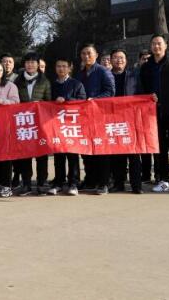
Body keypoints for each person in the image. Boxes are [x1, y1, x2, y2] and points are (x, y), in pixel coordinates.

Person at [138, 35, 169, 193]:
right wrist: (148, 96)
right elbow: (142, 89)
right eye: (153, 43)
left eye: (159, 43)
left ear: (166, 45)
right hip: (153, 114)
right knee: (159, 148)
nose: (156, 46)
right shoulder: (146, 67)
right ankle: (164, 179)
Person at [76, 44, 115, 195]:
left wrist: (95, 100)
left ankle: (104, 182)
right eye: (83, 53)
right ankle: (90, 179)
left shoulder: (103, 71)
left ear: (96, 55)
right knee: (86, 149)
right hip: (84, 117)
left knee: (101, 149)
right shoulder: (80, 74)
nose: (86, 56)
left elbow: (110, 91)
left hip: (100, 116)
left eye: (89, 53)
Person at [13, 51, 52, 195]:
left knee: (42, 154)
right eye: (28, 62)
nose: (30, 65)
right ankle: (26, 183)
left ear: (37, 64)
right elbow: (15, 101)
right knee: (25, 154)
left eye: (33, 62)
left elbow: (49, 102)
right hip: (24, 123)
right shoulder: (18, 81)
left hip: (40, 123)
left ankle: (42, 183)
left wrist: (40, 104)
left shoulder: (45, 81)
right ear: (24, 64)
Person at [48, 59, 86, 196]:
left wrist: (67, 101)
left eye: (64, 66)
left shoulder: (77, 84)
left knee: (72, 154)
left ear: (70, 68)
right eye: (58, 66)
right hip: (55, 124)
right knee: (58, 154)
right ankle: (58, 182)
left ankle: (73, 183)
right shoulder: (52, 85)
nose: (61, 69)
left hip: (71, 125)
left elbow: (83, 101)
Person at [109, 49, 143, 194]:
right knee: (117, 154)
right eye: (115, 57)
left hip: (130, 118)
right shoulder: (107, 76)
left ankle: (136, 185)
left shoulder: (134, 76)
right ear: (111, 60)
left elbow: (141, 94)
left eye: (121, 57)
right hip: (111, 119)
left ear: (126, 60)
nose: (119, 60)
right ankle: (119, 183)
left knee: (134, 153)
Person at [0, 61, 20, 197]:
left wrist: (2, 102)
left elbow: (16, 102)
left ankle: (6, 185)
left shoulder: (10, 86)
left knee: (6, 157)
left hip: (6, 125)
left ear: (3, 72)